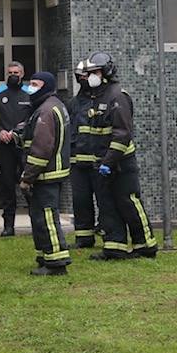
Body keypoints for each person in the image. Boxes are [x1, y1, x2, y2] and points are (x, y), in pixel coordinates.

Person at [74, 52, 156, 261]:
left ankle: (145, 244)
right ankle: (115, 247)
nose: (90, 76)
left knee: (129, 202)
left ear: (106, 72)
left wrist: (109, 161)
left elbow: (122, 133)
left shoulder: (117, 96)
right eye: (89, 72)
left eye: (94, 72)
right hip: (102, 162)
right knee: (107, 204)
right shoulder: (95, 96)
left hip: (121, 162)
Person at [14, 72, 72, 276]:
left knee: (46, 218)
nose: (30, 87)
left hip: (45, 175)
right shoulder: (52, 105)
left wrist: (27, 177)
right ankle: (45, 256)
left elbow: (41, 149)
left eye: (35, 84)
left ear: (46, 86)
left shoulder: (46, 111)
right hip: (50, 173)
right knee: (40, 218)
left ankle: (56, 263)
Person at [0, 61, 34, 237]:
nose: (13, 75)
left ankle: (35, 221)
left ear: (22, 74)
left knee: (28, 184)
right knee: (7, 185)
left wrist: (18, 132)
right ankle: (9, 226)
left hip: (24, 146)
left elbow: (33, 117)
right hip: (5, 147)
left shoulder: (30, 93)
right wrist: (0, 132)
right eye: (10, 72)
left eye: (16, 72)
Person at [68, 58, 100, 248]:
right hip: (77, 162)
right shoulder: (74, 103)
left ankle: (109, 233)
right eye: (79, 77)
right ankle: (83, 237)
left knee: (104, 200)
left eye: (85, 76)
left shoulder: (104, 100)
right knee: (80, 201)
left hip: (98, 161)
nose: (82, 80)